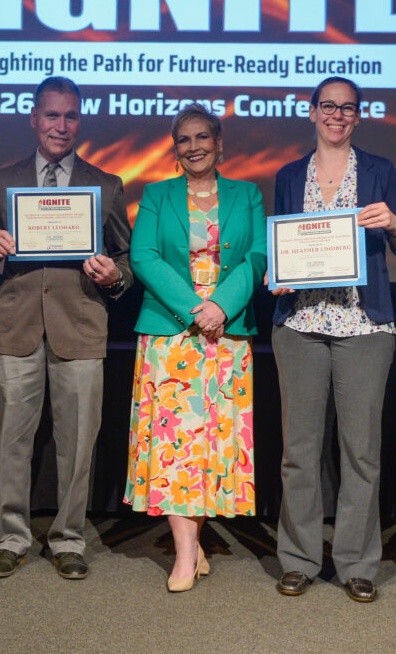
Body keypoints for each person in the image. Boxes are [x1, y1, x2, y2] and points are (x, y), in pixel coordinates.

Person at [0, 76, 132, 580]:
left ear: (79, 120)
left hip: (81, 327)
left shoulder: (105, 184)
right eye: (52, 115)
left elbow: (125, 259)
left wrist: (115, 275)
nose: (61, 126)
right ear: (33, 118)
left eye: (70, 116)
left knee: (77, 443)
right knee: (12, 442)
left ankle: (69, 539)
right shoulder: (3, 180)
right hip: (17, 328)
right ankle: (11, 537)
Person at [271, 77, 396, 602]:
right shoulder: (289, 175)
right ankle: (300, 558)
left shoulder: (379, 171)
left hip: (364, 326)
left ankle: (357, 562)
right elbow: (280, 245)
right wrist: (278, 273)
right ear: (311, 113)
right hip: (301, 326)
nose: (336, 115)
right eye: (327, 106)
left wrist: (395, 223)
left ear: (358, 116)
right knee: (299, 451)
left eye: (346, 108)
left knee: (361, 452)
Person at [124, 103, 266, 592]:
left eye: (203, 137)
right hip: (172, 334)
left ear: (219, 142)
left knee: (211, 447)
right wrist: (194, 309)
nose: (194, 147)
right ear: (175, 148)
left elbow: (257, 256)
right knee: (174, 448)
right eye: (184, 139)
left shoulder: (247, 194)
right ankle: (185, 555)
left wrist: (221, 307)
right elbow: (142, 255)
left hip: (226, 337)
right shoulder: (157, 195)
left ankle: (195, 544)